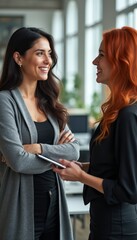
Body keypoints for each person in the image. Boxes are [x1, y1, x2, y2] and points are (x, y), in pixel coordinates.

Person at [53, 26, 137, 240]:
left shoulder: (128, 115)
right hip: (107, 222)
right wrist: (82, 167)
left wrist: (81, 177)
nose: (94, 62)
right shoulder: (120, 110)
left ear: (121, 61)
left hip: (117, 228)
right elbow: (118, 166)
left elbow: (128, 189)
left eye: (101, 55)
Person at [0, 27, 80, 240]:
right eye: (40, 53)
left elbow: (74, 151)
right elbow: (18, 161)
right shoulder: (4, 101)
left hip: (54, 204)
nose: (48, 60)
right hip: (21, 207)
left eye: (50, 53)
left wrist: (38, 149)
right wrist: (57, 159)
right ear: (18, 57)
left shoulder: (49, 103)